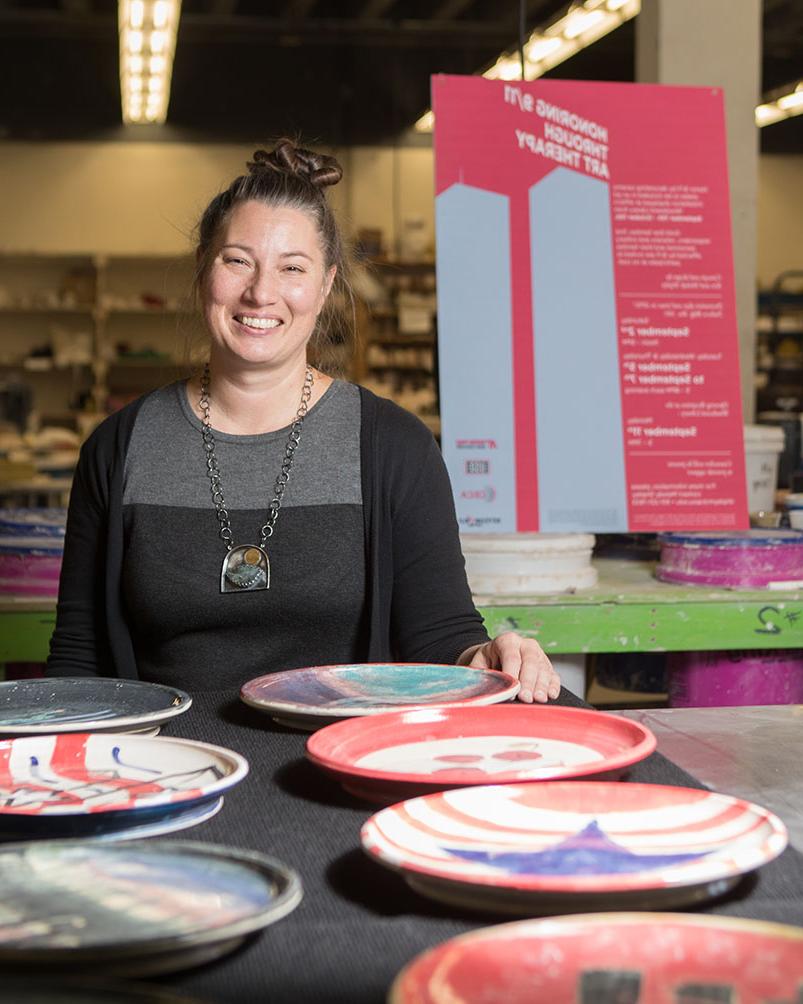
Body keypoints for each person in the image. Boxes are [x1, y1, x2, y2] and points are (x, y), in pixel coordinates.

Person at [47, 139, 560, 704]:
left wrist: (487, 658)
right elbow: (80, 656)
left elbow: (441, 638)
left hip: (340, 765)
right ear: (203, 271)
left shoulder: (392, 446)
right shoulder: (119, 448)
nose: (261, 292)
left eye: (292, 267)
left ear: (325, 285)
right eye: (237, 260)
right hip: (167, 766)